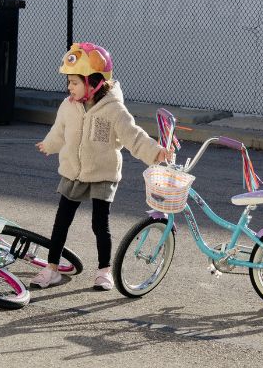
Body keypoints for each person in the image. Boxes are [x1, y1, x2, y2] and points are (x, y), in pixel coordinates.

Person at [33, 43, 172, 291]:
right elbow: (59, 131)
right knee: (61, 221)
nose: (69, 87)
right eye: (69, 82)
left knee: (100, 224)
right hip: (73, 172)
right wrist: (49, 144)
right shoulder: (68, 105)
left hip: (103, 173)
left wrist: (156, 152)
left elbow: (134, 136)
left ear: (94, 82)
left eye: (75, 82)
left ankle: (104, 271)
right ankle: (52, 268)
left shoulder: (113, 109)